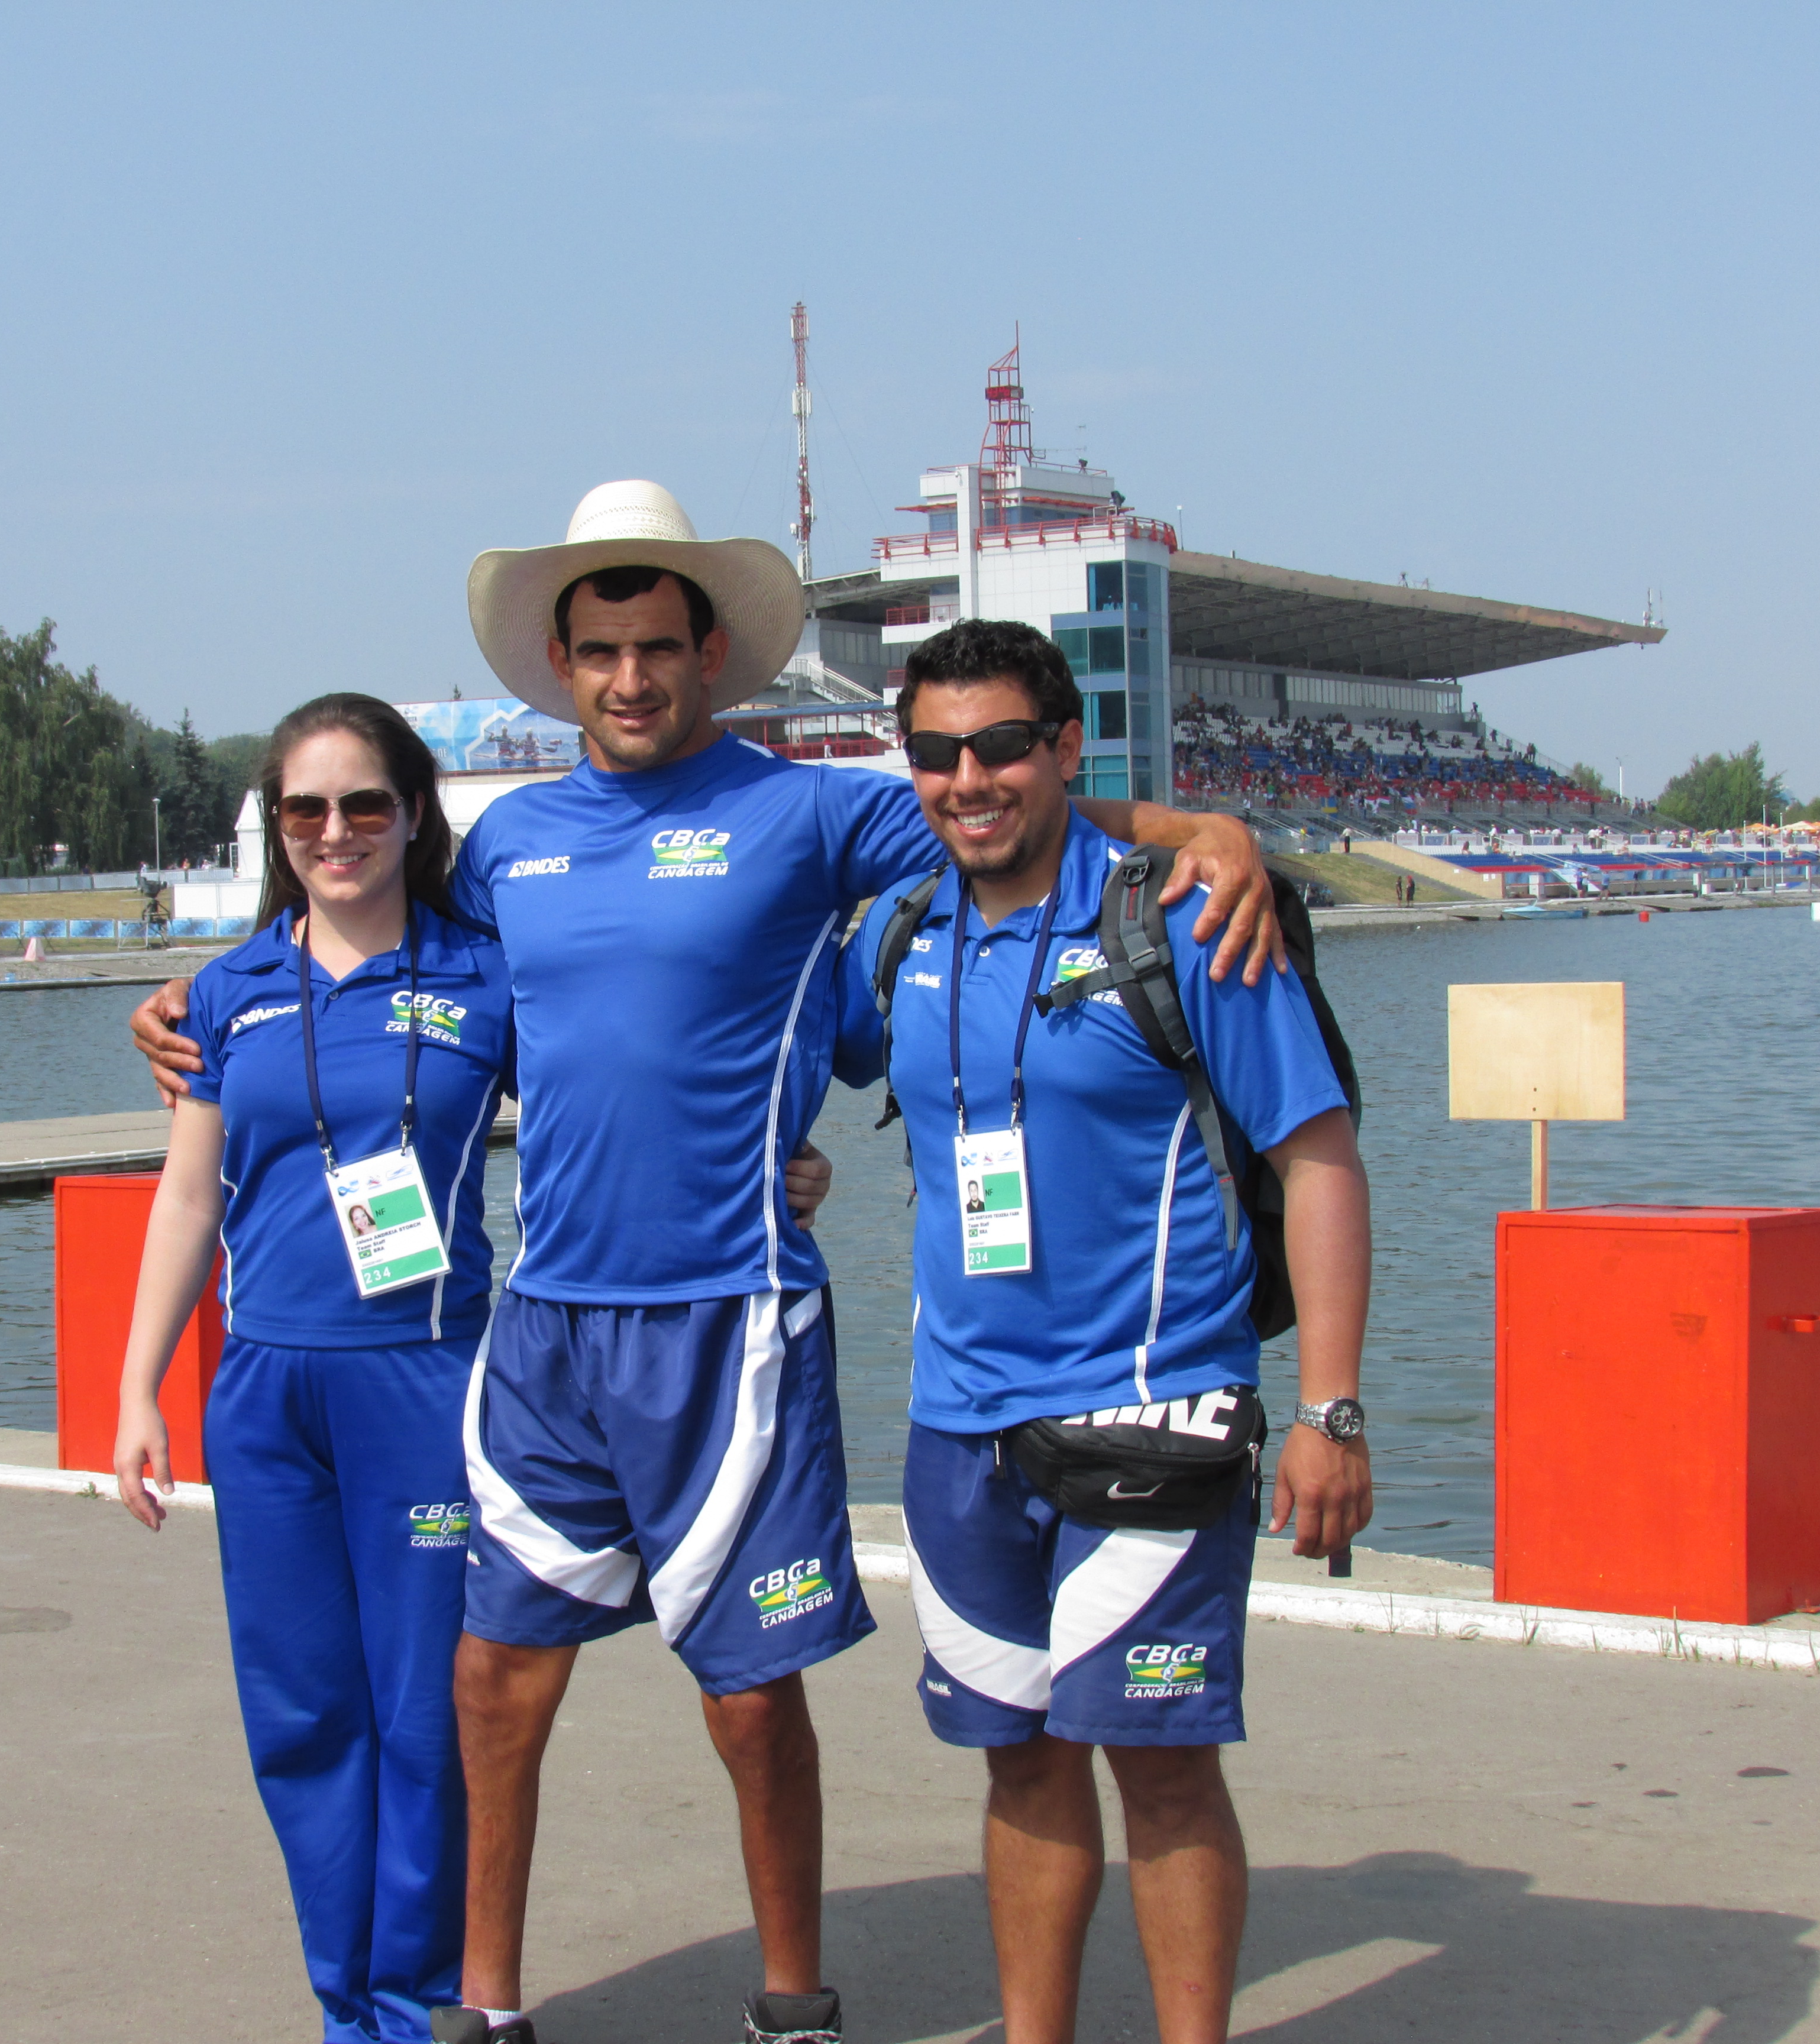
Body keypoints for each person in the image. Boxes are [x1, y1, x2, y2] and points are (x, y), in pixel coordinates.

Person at [135, 481, 1285, 2044]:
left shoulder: (812, 811)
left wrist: (1197, 831)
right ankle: (482, 2011)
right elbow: (361, 932)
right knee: (492, 1685)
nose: (628, 678)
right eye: (600, 650)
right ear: (560, 660)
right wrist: (194, 1008)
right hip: (545, 1333)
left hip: (733, 1322)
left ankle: (794, 2004)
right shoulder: (502, 847)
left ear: (711, 653)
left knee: (747, 1705)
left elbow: (998, 814)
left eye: (657, 647)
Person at [832, 620, 1373, 2044]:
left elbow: (1318, 1160)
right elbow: (738, 1039)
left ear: (1067, 751)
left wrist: (1330, 1410)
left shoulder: (1187, 917)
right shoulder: (900, 930)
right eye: (939, 754)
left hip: (1156, 1408)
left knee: (1161, 1765)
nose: (971, 779)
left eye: (1004, 744)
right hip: (959, 1428)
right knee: (1015, 1763)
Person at [111, 693, 516, 2044]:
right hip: (268, 1395)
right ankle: (346, 2010)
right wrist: (138, 1393)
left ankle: (420, 2004)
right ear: (276, 830)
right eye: (305, 810)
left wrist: (781, 1165)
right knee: (301, 1716)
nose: (335, 833)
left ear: (412, 814)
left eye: (364, 805)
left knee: (422, 1717)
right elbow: (185, 1201)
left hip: (425, 1383)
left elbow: (615, 1101)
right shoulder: (224, 993)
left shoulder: (485, 974)